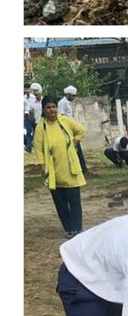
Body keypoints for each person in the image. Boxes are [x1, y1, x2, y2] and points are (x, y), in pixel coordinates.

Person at [32, 95, 86, 238]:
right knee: (60, 204)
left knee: (74, 201)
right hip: (54, 172)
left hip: (70, 169)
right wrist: (43, 169)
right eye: (48, 107)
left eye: (54, 107)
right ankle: (69, 229)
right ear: (43, 110)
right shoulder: (40, 128)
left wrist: (75, 141)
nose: (52, 110)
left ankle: (77, 229)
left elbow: (81, 130)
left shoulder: (65, 121)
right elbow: (38, 150)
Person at [24, 82, 42, 152]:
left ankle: (34, 145)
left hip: (39, 119)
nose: (36, 93)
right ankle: (29, 146)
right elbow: (29, 110)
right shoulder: (29, 100)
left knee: (37, 134)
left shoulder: (41, 100)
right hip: (29, 117)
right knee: (29, 132)